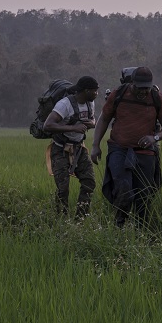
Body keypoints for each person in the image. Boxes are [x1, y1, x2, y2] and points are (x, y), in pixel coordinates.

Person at [91, 67, 162, 228]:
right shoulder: (119, 94)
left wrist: (155, 138)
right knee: (123, 189)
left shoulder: (156, 97)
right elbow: (104, 119)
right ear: (132, 84)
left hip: (145, 152)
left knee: (144, 195)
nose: (143, 91)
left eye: (146, 88)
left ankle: (140, 230)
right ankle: (119, 226)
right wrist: (95, 145)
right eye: (139, 87)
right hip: (119, 149)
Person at [42, 75, 99, 219]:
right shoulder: (64, 104)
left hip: (79, 149)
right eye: (94, 91)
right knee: (63, 188)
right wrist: (73, 128)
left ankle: (80, 219)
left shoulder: (90, 103)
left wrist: (91, 124)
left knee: (89, 182)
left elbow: (93, 119)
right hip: (60, 149)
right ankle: (61, 220)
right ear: (86, 91)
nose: (97, 94)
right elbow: (48, 125)